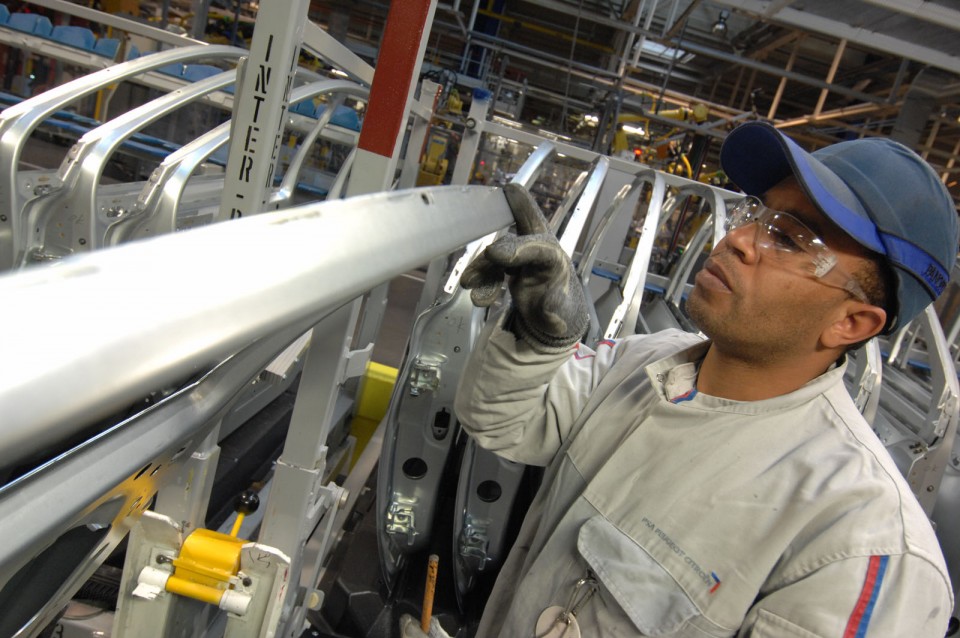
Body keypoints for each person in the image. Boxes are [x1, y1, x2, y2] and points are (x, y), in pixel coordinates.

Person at [401, 121, 959, 637]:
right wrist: (540, 339)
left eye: (790, 239)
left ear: (852, 322)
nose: (739, 239)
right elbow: (501, 421)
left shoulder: (861, 548)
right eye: (759, 214)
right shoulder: (649, 362)